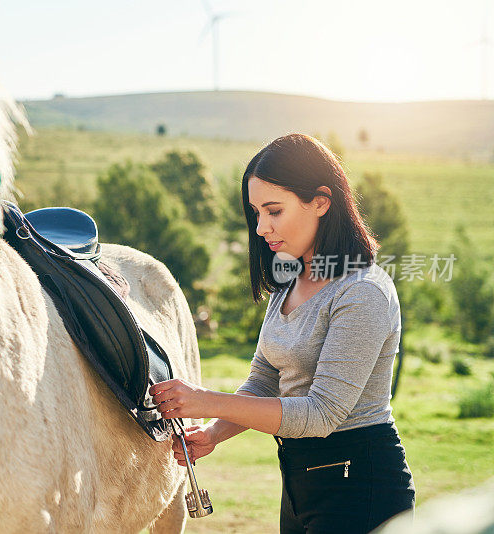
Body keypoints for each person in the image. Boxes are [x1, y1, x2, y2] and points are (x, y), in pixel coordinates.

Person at [149, 133, 415, 534]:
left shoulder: (363, 291)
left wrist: (206, 401)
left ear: (321, 202)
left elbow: (321, 414)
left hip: (360, 485)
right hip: (299, 482)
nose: (261, 228)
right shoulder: (289, 282)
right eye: (256, 213)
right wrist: (215, 433)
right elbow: (264, 380)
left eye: (274, 211)